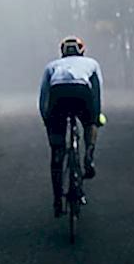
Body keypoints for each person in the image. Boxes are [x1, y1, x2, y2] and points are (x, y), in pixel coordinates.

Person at [38, 36, 103, 218]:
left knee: (57, 152)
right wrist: (95, 117)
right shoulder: (91, 63)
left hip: (58, 95)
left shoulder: (52, 66)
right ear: (82, 51)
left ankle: (58, 200)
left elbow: (44, 95)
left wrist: (47, 120)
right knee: (90, 124)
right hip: (82, 93)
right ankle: (88, 156)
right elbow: (97, 91)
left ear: (62, 52)